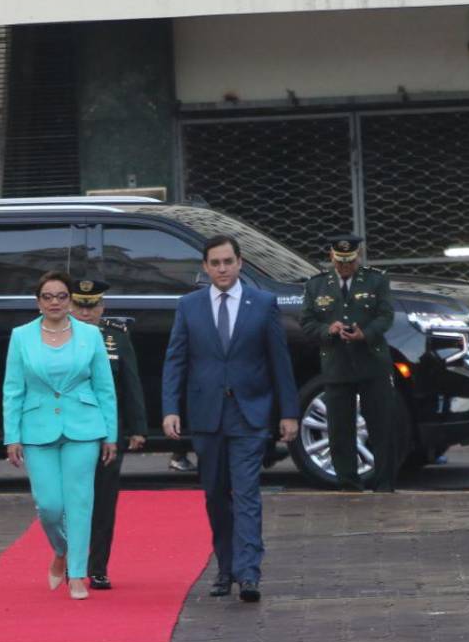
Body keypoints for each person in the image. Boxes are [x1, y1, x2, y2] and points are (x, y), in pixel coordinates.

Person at [161, 235, 299, 603]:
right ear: (205, 268)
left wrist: (288, 413)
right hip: (207, 415)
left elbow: (279, 362)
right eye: (215, 263)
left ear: (240, 263)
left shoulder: (263, 303)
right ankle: (225, 568)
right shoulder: (189, 306)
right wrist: (170, 408)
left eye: (228, 261)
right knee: (216, 496)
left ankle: (249, 572)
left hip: (250, 413)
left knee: (247, 493)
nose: (222, 269)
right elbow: (176, 360)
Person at [3, 271, 118, 601]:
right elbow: (12, 390)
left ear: (70, 301)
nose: (55, 302)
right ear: (38, 302)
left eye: (61, 296)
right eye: (48, 297)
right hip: (37, 428)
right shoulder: (21, 336)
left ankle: (78, 574)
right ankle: (61, 550)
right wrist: (11, 436)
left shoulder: (89, 335)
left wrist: (110, 434)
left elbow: (104, 388)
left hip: (84, 425)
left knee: (80, 501)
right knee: (50, 505)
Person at [299, 235, 398, 493]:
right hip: (336, 364)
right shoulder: (316, 285)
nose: (345, 266)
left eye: (350, 261)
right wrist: (327, 329)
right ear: (332, 257)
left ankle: (384, 482)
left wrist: (365, 333)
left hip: (371, 362)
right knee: (339, 428)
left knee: (381, 425)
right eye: (340, 261)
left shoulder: (376, 280)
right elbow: (307, 322)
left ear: (359, 257)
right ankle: (348, 483)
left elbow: (386, 315)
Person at [68, 278, 147, 590]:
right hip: (70, 431)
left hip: (106, 433)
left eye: (93, 306)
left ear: (102, 307)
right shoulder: (57, 338)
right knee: (71, 501)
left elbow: (131, 383)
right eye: (80, 306)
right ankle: (73, 563)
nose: (86, 313)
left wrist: (138, 427)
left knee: (103, 500)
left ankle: (98, 566)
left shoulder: (115, 338)